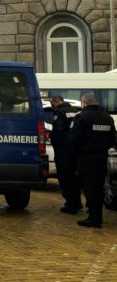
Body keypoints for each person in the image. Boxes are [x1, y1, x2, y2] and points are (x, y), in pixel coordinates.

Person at [69, 94, 117, 228]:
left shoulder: (81, 117)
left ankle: (94, 218)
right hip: (101, 157)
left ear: (84, 103)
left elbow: (74, 139)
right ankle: (97, 216)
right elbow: (112, 139)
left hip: (86, 158)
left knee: (89, 187)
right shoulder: (107, 117)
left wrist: (77, 153)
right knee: (99, 186)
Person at [50, 95, 82, 214]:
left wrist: (53, 140)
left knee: (65, 177)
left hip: (63, 151)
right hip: (74, 150)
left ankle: (71, 205)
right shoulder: (74, 111)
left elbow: (58, 131)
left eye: (52, 104)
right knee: (75, 178)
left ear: (56, 102)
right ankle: (77, 202)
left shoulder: (59, 112)